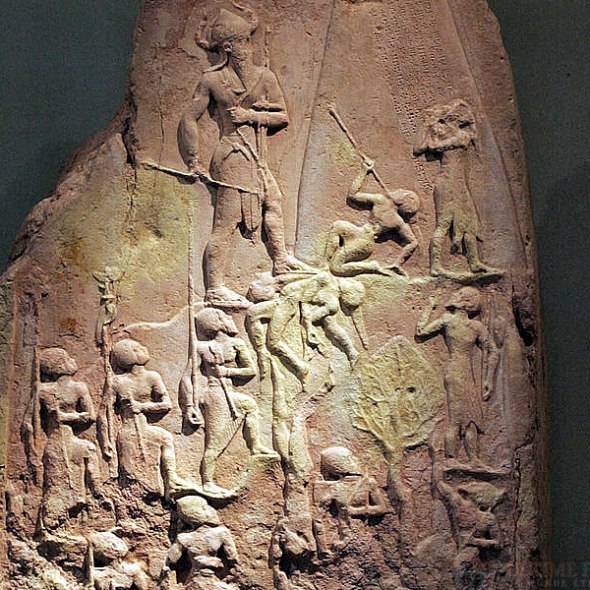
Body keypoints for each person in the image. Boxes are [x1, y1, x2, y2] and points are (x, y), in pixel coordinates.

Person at [179, 5, 302, 307]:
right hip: (232, 156)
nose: (249, 47)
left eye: (249, 40)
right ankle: (214, 287)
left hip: (257, 156)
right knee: (226, 223)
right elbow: (189, 118)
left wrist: (251, 116)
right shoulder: (212, 80)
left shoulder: (265, 77)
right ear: (228, 48)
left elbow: (282, 116)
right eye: (242, 42)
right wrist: (193, 159)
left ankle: (281, 261)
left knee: (273, 200)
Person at [179, 308, 277, 495]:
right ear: (216, 324)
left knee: (249, 405)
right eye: (224, 316)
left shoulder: (237, 344)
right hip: (214, 394)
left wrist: (227, 371)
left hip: (229, 391)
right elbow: (186, 377)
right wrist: (189, 406)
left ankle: (256, 446)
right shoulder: (202, 348)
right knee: (214, 442)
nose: (230, 317)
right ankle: (207, 482)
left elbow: (250, 371)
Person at [413, 99, 502, 278]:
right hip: (447, 184)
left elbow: (434, 146)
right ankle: (435, 266)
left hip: (459, 184)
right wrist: (426, 126)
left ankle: (474, 262)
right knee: (444, 223)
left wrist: (432, 130)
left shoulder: (461, 136)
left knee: (469, 222)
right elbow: (418, 148)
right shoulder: (453, 136)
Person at [416, 287, 499, 465]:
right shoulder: (448, 321)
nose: (454, 295)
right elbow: (421, 332)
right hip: (454, 371)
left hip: (467, 372)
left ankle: (473, 458)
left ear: (465, 302)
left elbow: (493, 351)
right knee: (456, 418)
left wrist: (489, 379)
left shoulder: (476, 327)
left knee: (472, 418)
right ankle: (451, 458)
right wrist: (429, 307)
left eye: (459, 294)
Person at [110, 339, 197, 500]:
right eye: (138, 348)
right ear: (128, 356)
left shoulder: (152, 377)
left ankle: (171, 479)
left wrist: (143, 406)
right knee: (133, 478)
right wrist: (106, 443)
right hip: (129, 431)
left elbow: (166, 404)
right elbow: (106, 412)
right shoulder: (117, 381)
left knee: (165, 437)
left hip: (145, 428)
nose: (144, 347)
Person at [34, 348, 104, 537]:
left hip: (71, 438)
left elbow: (90, 415)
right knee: (57, 485)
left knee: (89, 450)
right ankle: (50, 527)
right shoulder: (42, 391)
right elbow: (31, 422)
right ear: (58, 366)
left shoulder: (79, 387)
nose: (73, 359)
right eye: (67, 358)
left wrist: (67, 417)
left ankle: (97, 492)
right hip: (55, 442)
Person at [325, 159, 419, 277]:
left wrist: (363, 171)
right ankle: (324, 264)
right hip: (359, 232)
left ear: (402, 201)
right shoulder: (394, 216)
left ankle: (372, 267)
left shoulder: (383, 203)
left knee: (336, 268)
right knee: (337, 225)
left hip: (364, 242)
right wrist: (398, 262)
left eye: (402, 192)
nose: (399, 190)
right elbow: (413, 242)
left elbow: (353, 194)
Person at [160, 495, 239, 589]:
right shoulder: (221, 533)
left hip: (194, 581)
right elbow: (233, 559)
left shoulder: (184, 538)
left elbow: (170, 562)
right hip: (208, 581)